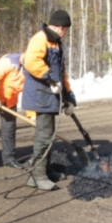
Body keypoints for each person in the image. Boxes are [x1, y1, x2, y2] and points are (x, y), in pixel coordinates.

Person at [21, 10, 76, 191]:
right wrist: (49, 79)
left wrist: (69, 97)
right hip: (40, 96)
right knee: (44, 137)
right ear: (61, 27)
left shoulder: (55, 43)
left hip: (51, 96)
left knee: (49, 136)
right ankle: (37, 175)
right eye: (66, 30)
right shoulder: (41, 38)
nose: (66, 33)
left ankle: (46, 170)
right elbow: (31, 61)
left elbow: (62, 73)